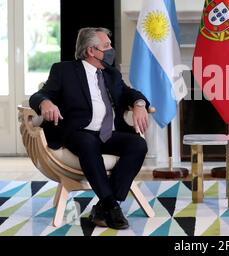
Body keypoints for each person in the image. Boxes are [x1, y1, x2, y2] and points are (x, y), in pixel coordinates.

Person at [30, 27, 151, 230]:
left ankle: (105, 205)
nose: (111, 49)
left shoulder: (112, 74)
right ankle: (112, 206)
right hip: (79, 132)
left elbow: (131, 93)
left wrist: (139, 104)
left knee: (138, 145)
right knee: (87, 143)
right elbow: (39, 95)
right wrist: (45, 103)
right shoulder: (64, 70)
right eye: (106, 46)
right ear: (91, 51)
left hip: (109, 133)